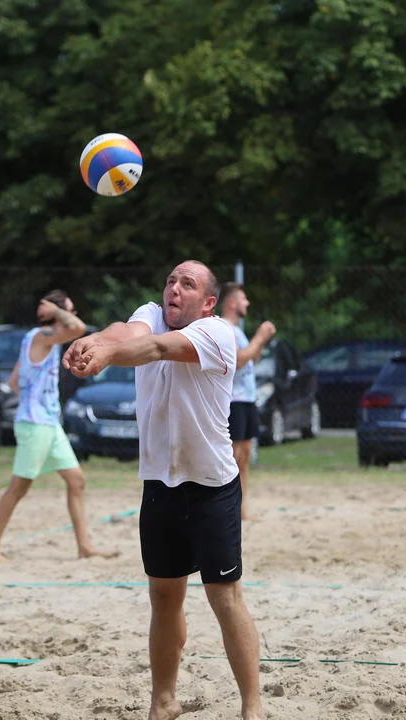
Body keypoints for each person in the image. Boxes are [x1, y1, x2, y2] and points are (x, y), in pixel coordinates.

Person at [63, 261, 265, 720]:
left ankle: (252, 708)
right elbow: (126, 330)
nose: (174, 288)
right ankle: (164, 703)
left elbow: (154, 348)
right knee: (164, 596)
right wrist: (94, 341)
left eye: (187, 284)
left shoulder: (216, 336)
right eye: (171, 280)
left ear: (209, 303)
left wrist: (109, 355)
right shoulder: (152, 313)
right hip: (160, 485)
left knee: (224, 596)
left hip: (211, 487)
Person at [0, 290, 118, 563]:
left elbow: (14, 381)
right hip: (36, 425)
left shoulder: (39, 341)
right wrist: (55, 311)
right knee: (18, 487)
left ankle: (85, 547)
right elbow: (77, 328)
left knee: (76, 480)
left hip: (47, 423)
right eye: (70, 309)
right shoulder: (41, 337)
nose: (74, 315)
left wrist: (35, 400)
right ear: (57, 314)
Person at [217, 282, 276, 521]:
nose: (247, 303)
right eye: (243, 299)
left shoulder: (238, 330)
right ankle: (228, 510)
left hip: (247, 399)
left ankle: (241, 510)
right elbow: (240, 361)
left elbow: (252, 357)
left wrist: (260, 341)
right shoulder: (225, 328)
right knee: (234, 457)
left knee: (245, 456)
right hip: (234, 400)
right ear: (232, 303)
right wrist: (259, 337)